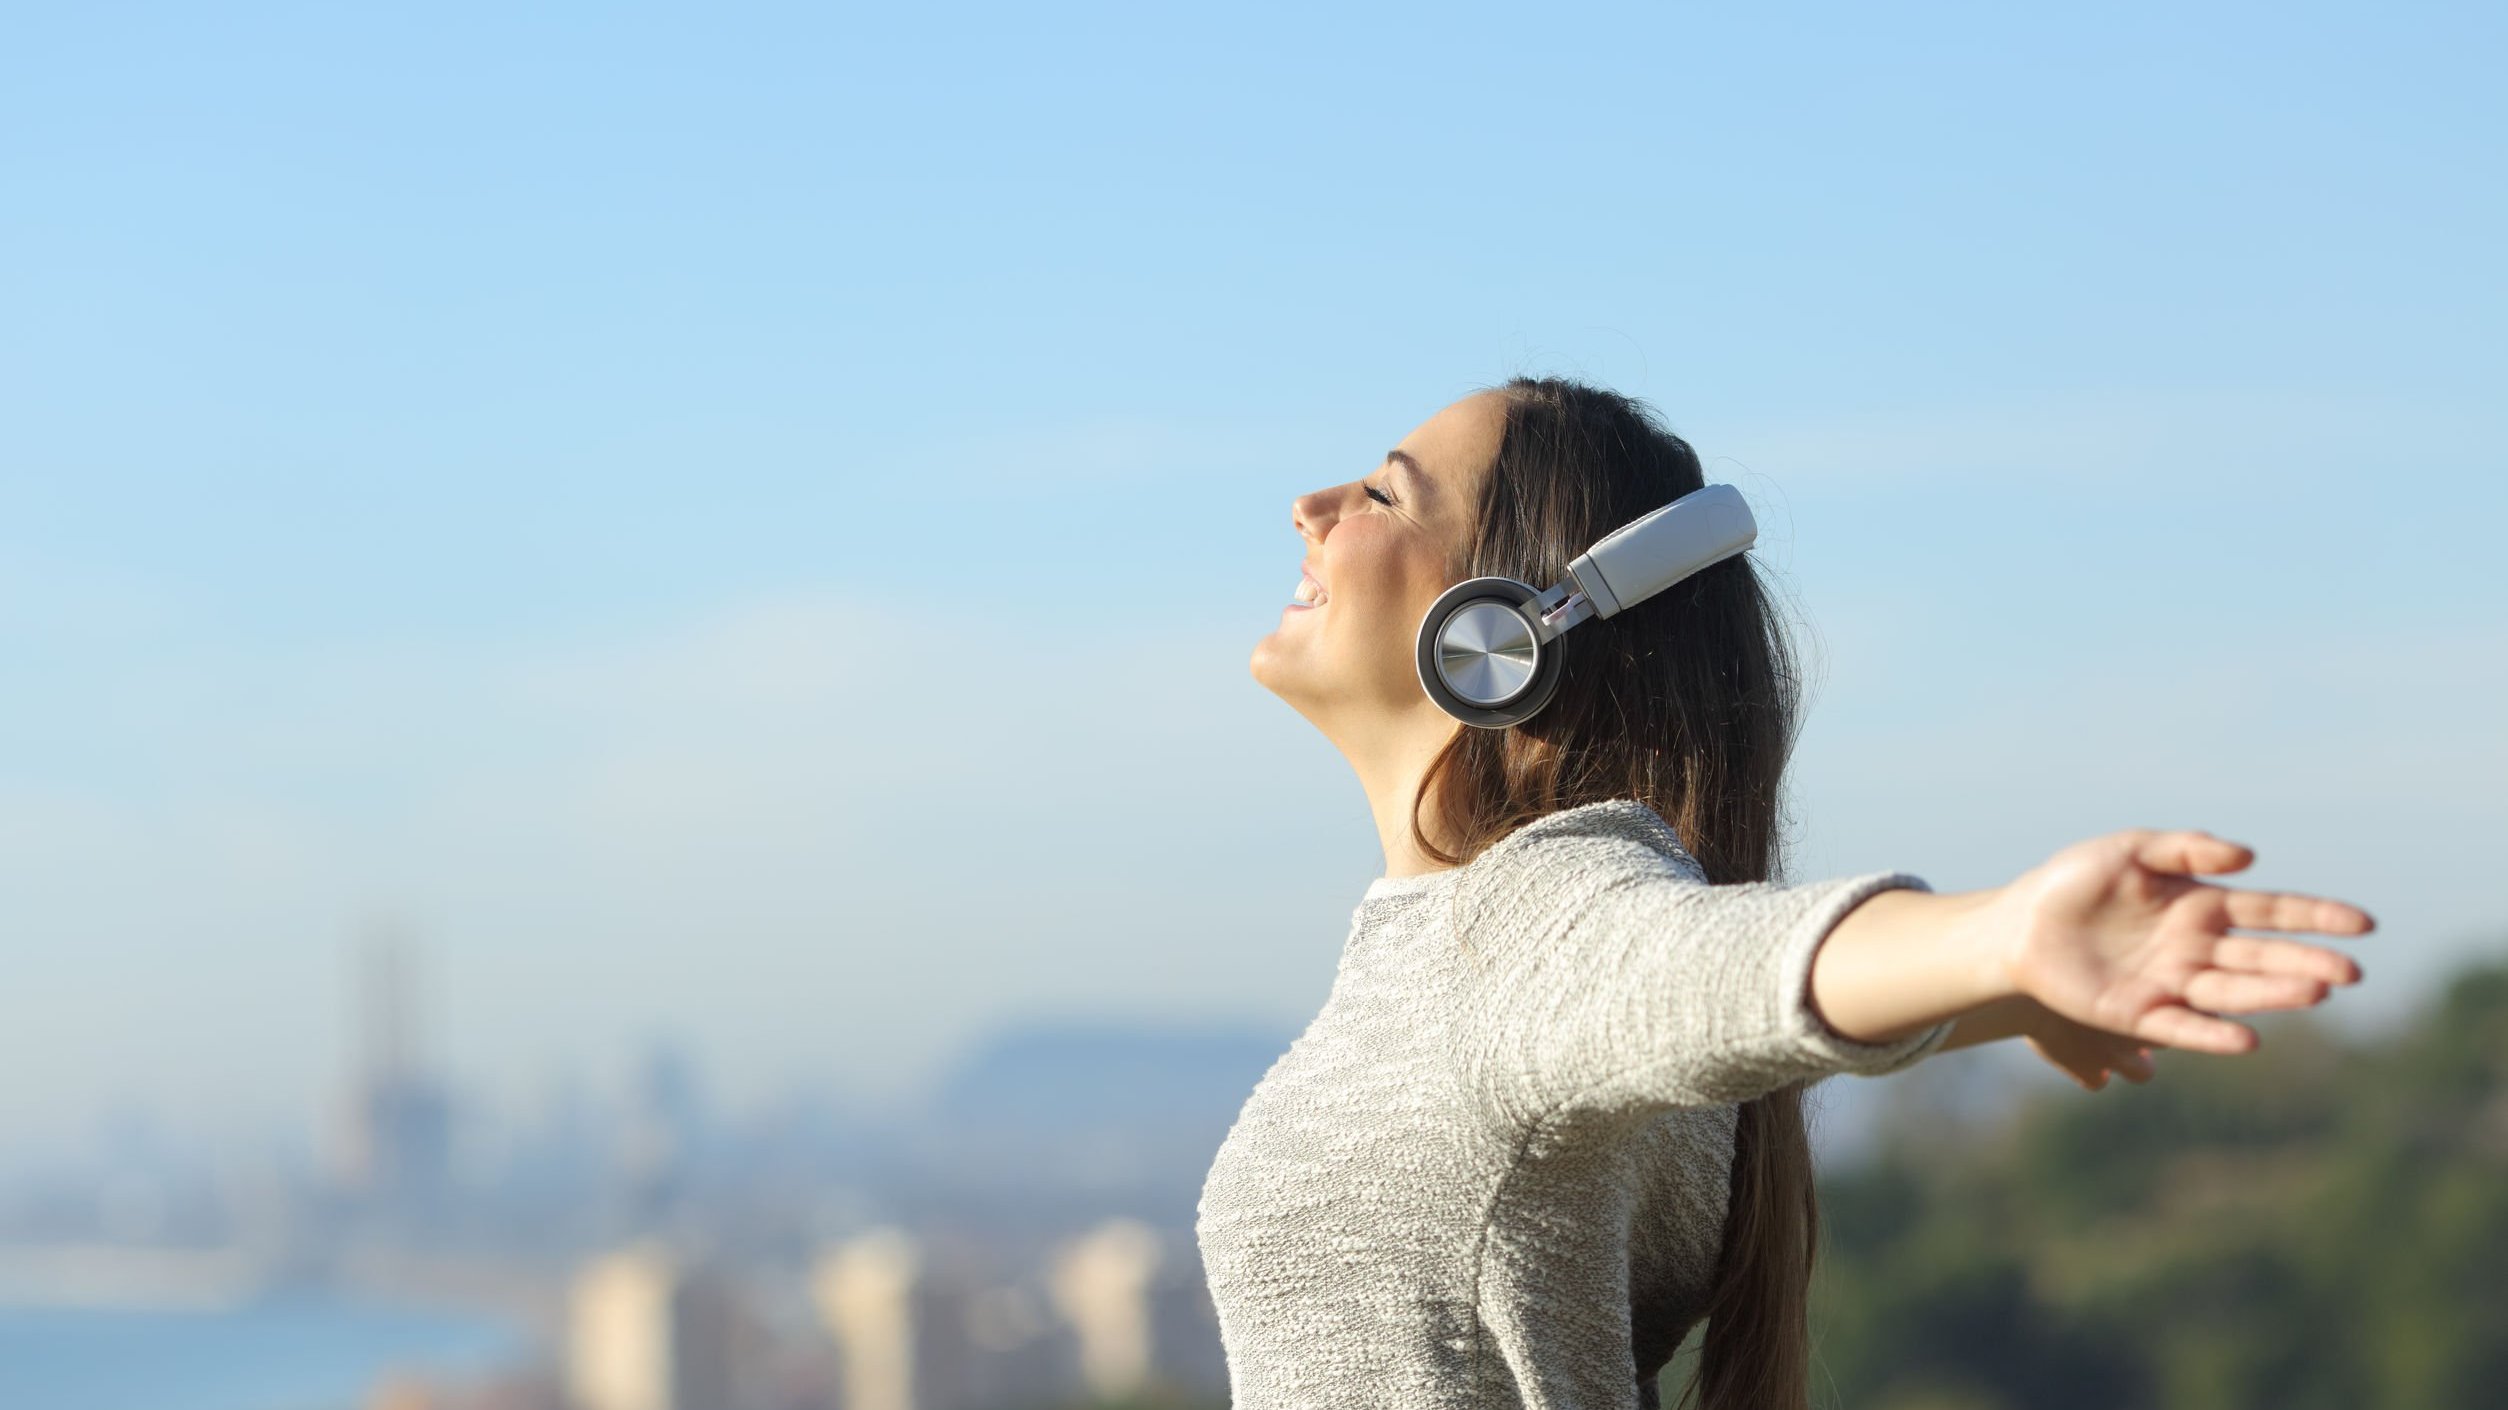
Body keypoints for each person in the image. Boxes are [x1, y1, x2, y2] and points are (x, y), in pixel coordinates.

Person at [1194, 376, 2373, 1410]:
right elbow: (1686, 1010)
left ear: (1500, 632)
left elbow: (1708, 970)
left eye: (1386, 495)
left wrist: (2001, 938)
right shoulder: (1463, 948)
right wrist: (2001, 999)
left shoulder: (1534, 920)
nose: (1314, 506)